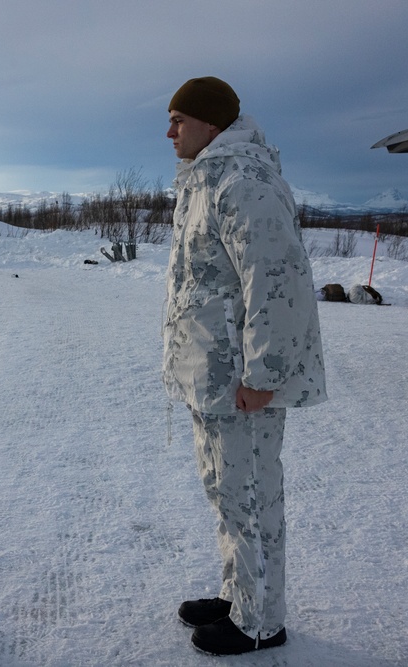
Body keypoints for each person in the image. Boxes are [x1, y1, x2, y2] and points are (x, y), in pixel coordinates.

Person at [161, 77, 327, 656]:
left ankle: (261, 622)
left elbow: (277, 285)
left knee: (252, 494)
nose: (170, 130)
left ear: (211, 123)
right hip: (213, 378)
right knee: (228, 492)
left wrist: (264, 377)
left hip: (241, 382)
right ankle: (240, 597)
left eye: (179, 118)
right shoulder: (206, 179)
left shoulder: (244, 180)